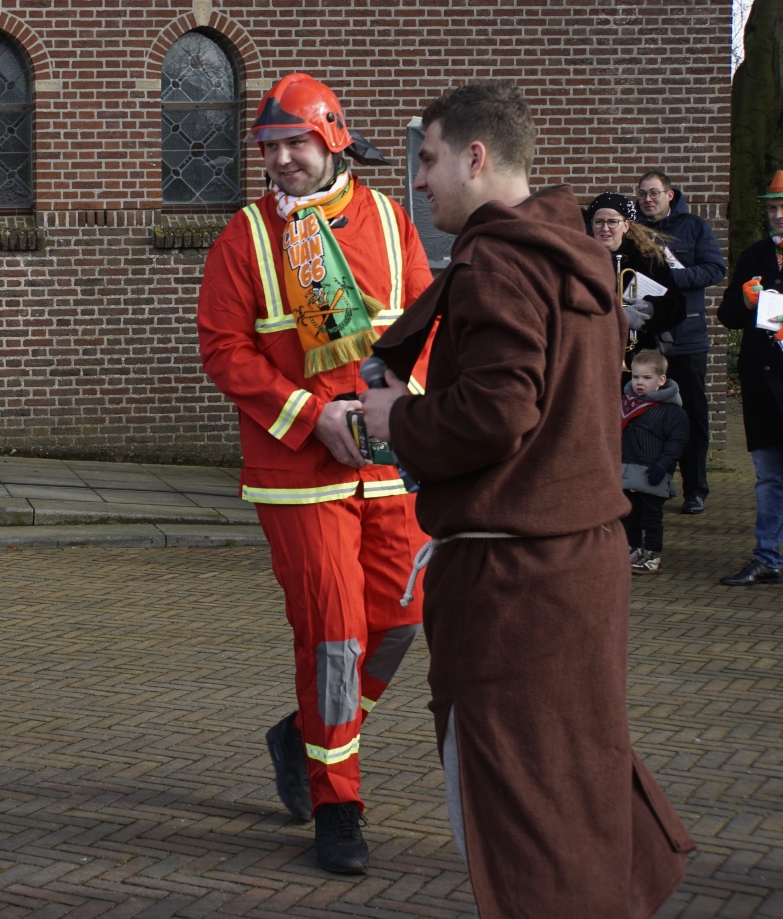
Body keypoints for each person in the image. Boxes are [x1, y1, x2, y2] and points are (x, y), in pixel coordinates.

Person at [360, 80, 693, 915]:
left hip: (512, 578)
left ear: (476, 157)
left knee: (515, 808)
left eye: (429, 158)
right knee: (573, 785)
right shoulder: (572, 253)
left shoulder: (499, 261)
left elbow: (498, 412)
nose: (418, 179)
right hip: (582, 561)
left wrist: (396, 417)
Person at [196, 72, 434, 876]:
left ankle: (305, 734)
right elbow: (224, 351)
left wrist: (400, 407)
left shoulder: (390, 221)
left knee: (400, 622)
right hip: (299, 473)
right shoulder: (245, 237)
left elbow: (427, 329)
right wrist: (312, 415)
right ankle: (339, 804)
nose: (281, 160)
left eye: (295, 143)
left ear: (333, 139)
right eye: (269, 148)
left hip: (389, 466)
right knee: (334, 636)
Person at [636, 171, 724, 515]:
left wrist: (671, 278)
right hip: (646, 339)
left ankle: (695, 489)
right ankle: (651, 485)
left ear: (669, 195)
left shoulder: (694, 227)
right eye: (643, 194)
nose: (648, 199)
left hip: (687, 337)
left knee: (692, 416)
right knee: (647, 415)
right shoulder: (632, 229)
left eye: (654, 193)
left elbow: (715, 269)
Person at [714, 169, 783, 587]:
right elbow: (727, 315)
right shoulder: (754, 255)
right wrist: (743, 300)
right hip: (762, 382)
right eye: (773, 208)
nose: (779, 215)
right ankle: (767, 557)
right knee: (769, 476)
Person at [584, 192, 685, 372]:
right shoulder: (580, 260)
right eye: (598, 222)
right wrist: (615, 318)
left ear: (626, 225)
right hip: (591, 356)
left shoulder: (648, 259)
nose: (605, 228)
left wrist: (651, 309)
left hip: (639, 362)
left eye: (613, 222)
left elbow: (677, 306)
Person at [620, 349, 687, 575]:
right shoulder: (624, 406)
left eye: (647, 377)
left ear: (661, 380)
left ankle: (652, 554)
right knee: (629, 515)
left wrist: (662, 466)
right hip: (626, 471)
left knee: (651, 518)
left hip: (652, 472)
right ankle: (632, 549)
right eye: (635, 377)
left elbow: (676, 442)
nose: (639, 382)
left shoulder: (672, 412)